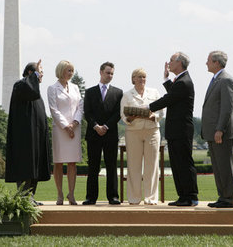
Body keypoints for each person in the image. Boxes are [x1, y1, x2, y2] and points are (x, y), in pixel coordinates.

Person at [149, 52, 198, 206]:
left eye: (171, 60)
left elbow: (168, 98)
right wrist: (166, 79)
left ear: (180, 63)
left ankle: (190, 196)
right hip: (176, 131)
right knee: (177, 164)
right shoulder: (180, 81)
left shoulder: (184, 82)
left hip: (181, 130)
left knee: (183, 163)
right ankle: (183, 196)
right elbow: (174, 94)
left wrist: (147, 108)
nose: (168, 63)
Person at [5, 60, 51, 205]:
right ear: (30, 73)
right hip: (24, 138)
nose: (41, 75)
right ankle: (23, 198)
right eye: (39, 72)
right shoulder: (20, 86)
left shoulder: (37, 93)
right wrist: (35, 74)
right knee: (25, 166)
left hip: (36, 137)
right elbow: (28, 87)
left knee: (35, 168)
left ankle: (30, 197)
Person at [201, 51, 233, 208]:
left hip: (221, 133)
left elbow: (227, 108)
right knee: (218, 168)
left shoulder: (226, 80)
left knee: (224, 166)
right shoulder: (216, 80)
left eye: (208, 60)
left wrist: (220, 129)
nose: (206, 63)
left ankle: (230, 198)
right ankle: (223, 197)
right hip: (213, 132)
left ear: (216, 62)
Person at [120, 68, 163, 205]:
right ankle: (134, 198)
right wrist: (131, 117)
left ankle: (151, 198)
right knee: (133, 165)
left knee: (152, 166)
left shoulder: (154, 92)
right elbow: (123, 115)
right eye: (139, 77)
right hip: (133, 132)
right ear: (133, 79)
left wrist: (153, 117)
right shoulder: (127, 95)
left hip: (152, 131)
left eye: (144, 77)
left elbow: (161, 112)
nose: (141, 80)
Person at [83, 62, 123, 205]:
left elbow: (118, 113)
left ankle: (113, 197)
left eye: (112, 73)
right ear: (100, 72)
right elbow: (87, 113)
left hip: (110, 134)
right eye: (108, 73)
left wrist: (105, 126)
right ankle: (90, 197)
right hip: (93, 134)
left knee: (111, 166)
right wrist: (96, 126)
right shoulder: (89, 92)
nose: (110, 76)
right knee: (93, 166)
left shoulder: (118, 93)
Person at [47, 60, 83, 206]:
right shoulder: (52, 88)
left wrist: (74, 123)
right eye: (69, 70)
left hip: (74, 128)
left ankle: (71, 194)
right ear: (61, 71)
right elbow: (53, 109)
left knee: (72, 162)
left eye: (72, 70)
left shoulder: (75, 88)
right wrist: (66, 126)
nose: (71, 73)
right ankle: (60, 194)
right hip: (60, 130)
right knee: (58, 162)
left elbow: (80, 107)